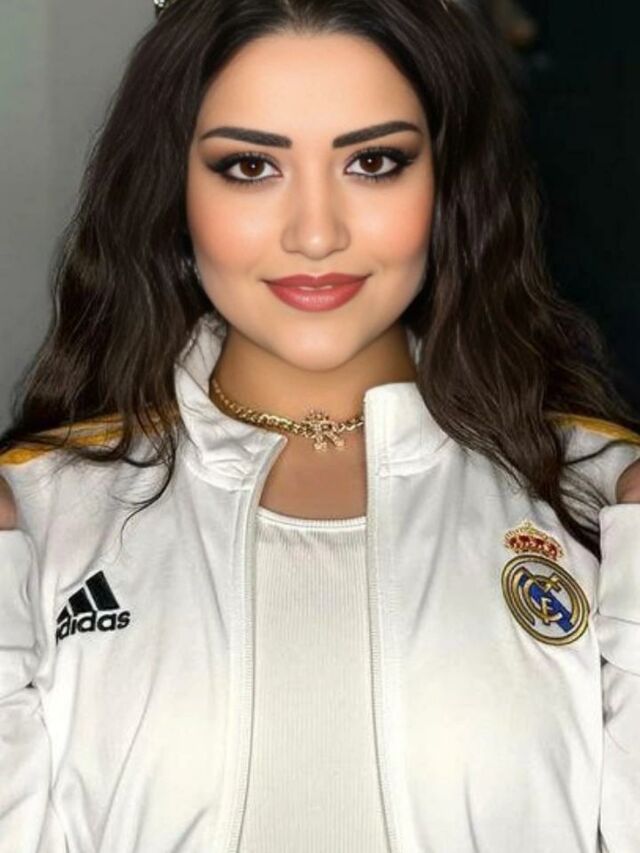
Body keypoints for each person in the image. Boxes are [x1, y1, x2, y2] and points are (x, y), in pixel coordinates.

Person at [1, 0, 639, 850]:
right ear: (173, 187)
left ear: (447, 180)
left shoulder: (600, 501)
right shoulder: (40, 514)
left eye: (373, 162)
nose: (314, 233)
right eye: (250, 166)